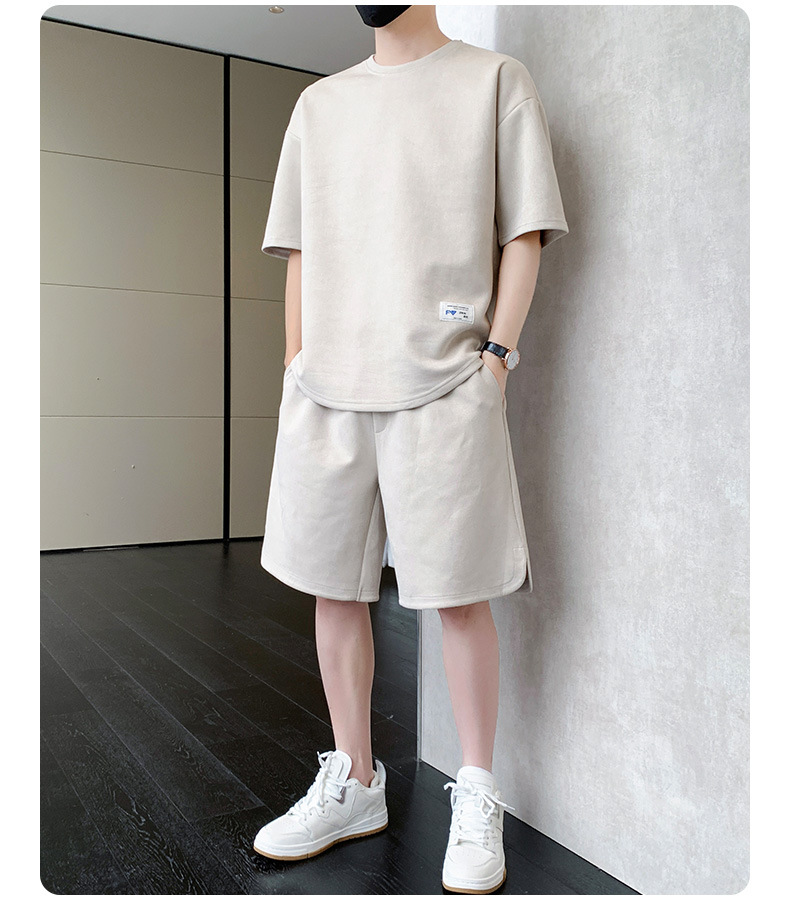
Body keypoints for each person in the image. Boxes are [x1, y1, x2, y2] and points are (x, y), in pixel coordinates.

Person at [252, 5, 568, 894]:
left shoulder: (494, 82)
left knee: (459, 593)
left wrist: (494, 362)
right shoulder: (319, 104)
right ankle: (354, 780)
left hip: (446, 381)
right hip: (327, 387)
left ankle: (476, 790)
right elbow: (300, 247)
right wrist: (296, 363)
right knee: (334, 585)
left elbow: (524, 232)